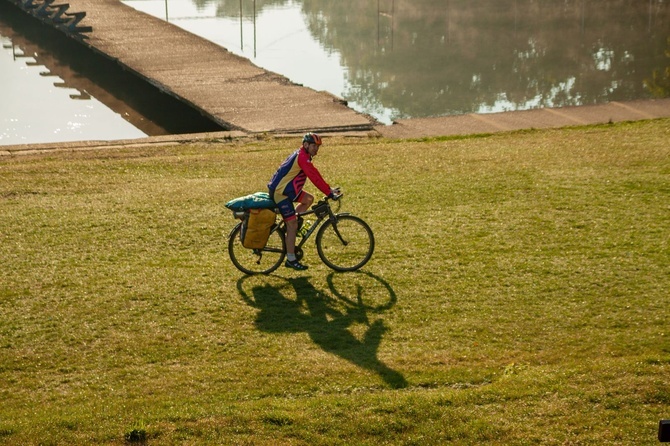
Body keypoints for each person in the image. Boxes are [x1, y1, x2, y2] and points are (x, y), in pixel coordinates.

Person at [268, 132, 340, 270]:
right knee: (293, 225)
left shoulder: (304, 155)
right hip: (280, 192)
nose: (316, 149)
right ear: (305, 145)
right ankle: (290, 259)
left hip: (288, 190)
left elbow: (315, 173)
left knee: (308, 199)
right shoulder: (302, 157)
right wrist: (328, 193)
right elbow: (313, 177)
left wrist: (329, 189)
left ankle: (289, 226)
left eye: (318, 146)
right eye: (313, 145)